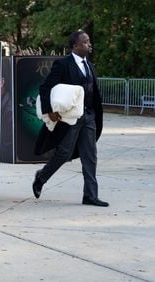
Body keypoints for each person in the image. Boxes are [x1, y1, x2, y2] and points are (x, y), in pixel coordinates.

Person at [33, 31, 108, 207]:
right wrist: (49, 111)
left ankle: (90, 195)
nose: (90, 44)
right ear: (75, 46)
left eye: (89, 41)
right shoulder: (62, 64)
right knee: (64, 153)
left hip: (88, 116)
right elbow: (45, 88)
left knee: (90, 156)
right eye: (86, 42)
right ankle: (41, 177)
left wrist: (95, 114)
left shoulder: (89, 65)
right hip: (70, 118)